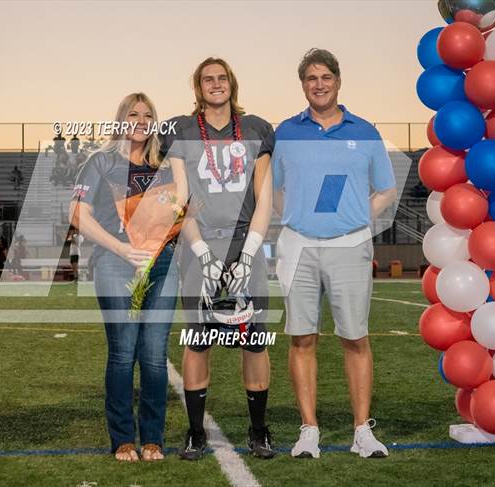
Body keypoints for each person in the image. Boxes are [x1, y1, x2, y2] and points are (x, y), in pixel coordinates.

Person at [272, 48, 397, 459]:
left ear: (338, 81)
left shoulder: (365, 131)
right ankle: (309, 430)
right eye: (311, 78)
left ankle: (362, 430)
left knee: (355, 338)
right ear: (303, 84)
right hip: (299, 246)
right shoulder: (287, 132)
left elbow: (386, 190)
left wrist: (359, 220)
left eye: (325, 77)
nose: (319, 84)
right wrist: (293, 218)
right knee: (301, 338)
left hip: (350, 245)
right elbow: (272, 190)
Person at [161, 57, 275, 460]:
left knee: (254, 340)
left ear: (232, 83)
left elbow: (265, 198)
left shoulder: (257, 128)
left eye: (221, 77)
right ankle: (195, 432)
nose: (215, 84)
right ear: (198, 87)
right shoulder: (184, 130)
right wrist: (202, 252)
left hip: (246, 241)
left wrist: (247, 254)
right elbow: (180, 198)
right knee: (198, 339)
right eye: (207, 79)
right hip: (200, 244)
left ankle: (259, 430)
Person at [69, 93, 181, 462]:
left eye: (148, 114)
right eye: (133, 113)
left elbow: (183, 208)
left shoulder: (166, 164)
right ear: (120, 119)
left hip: (162, 264)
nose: (141, 120)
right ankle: (122, 439)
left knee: (153, 356)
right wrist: (121, 250)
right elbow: (77, 215)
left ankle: (153, 439)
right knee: (122, 354)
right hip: (115, 263)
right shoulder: (100, 162)